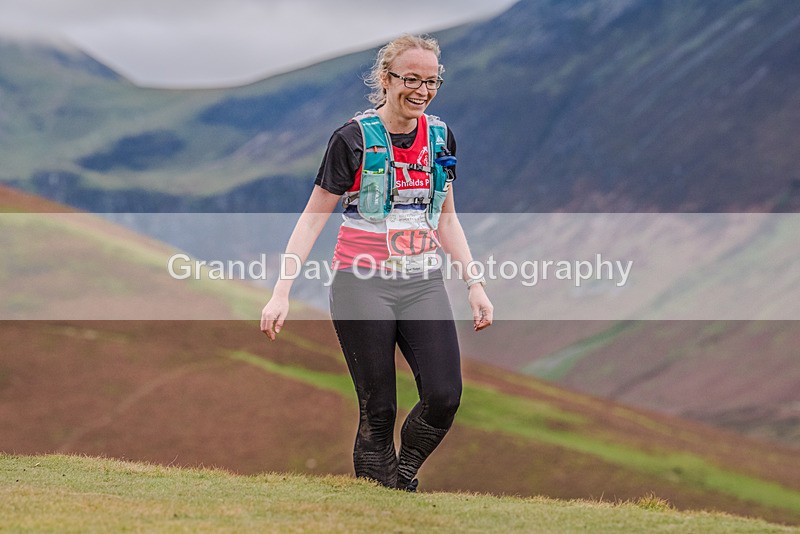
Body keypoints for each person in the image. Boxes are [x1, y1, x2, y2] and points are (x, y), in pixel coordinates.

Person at [260, 34, 493, 491]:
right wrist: (280, 293)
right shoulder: (351, 140)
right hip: (361, 284)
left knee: (444, 396)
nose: (422, 91)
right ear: (386, 80)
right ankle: (381, 501)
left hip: (422, 282)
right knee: (379, 408)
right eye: (411, 79)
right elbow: (310, 223)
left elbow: (447, 220)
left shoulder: (441, 137)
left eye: (432, 81)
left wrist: (475, 284)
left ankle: (400, 476)